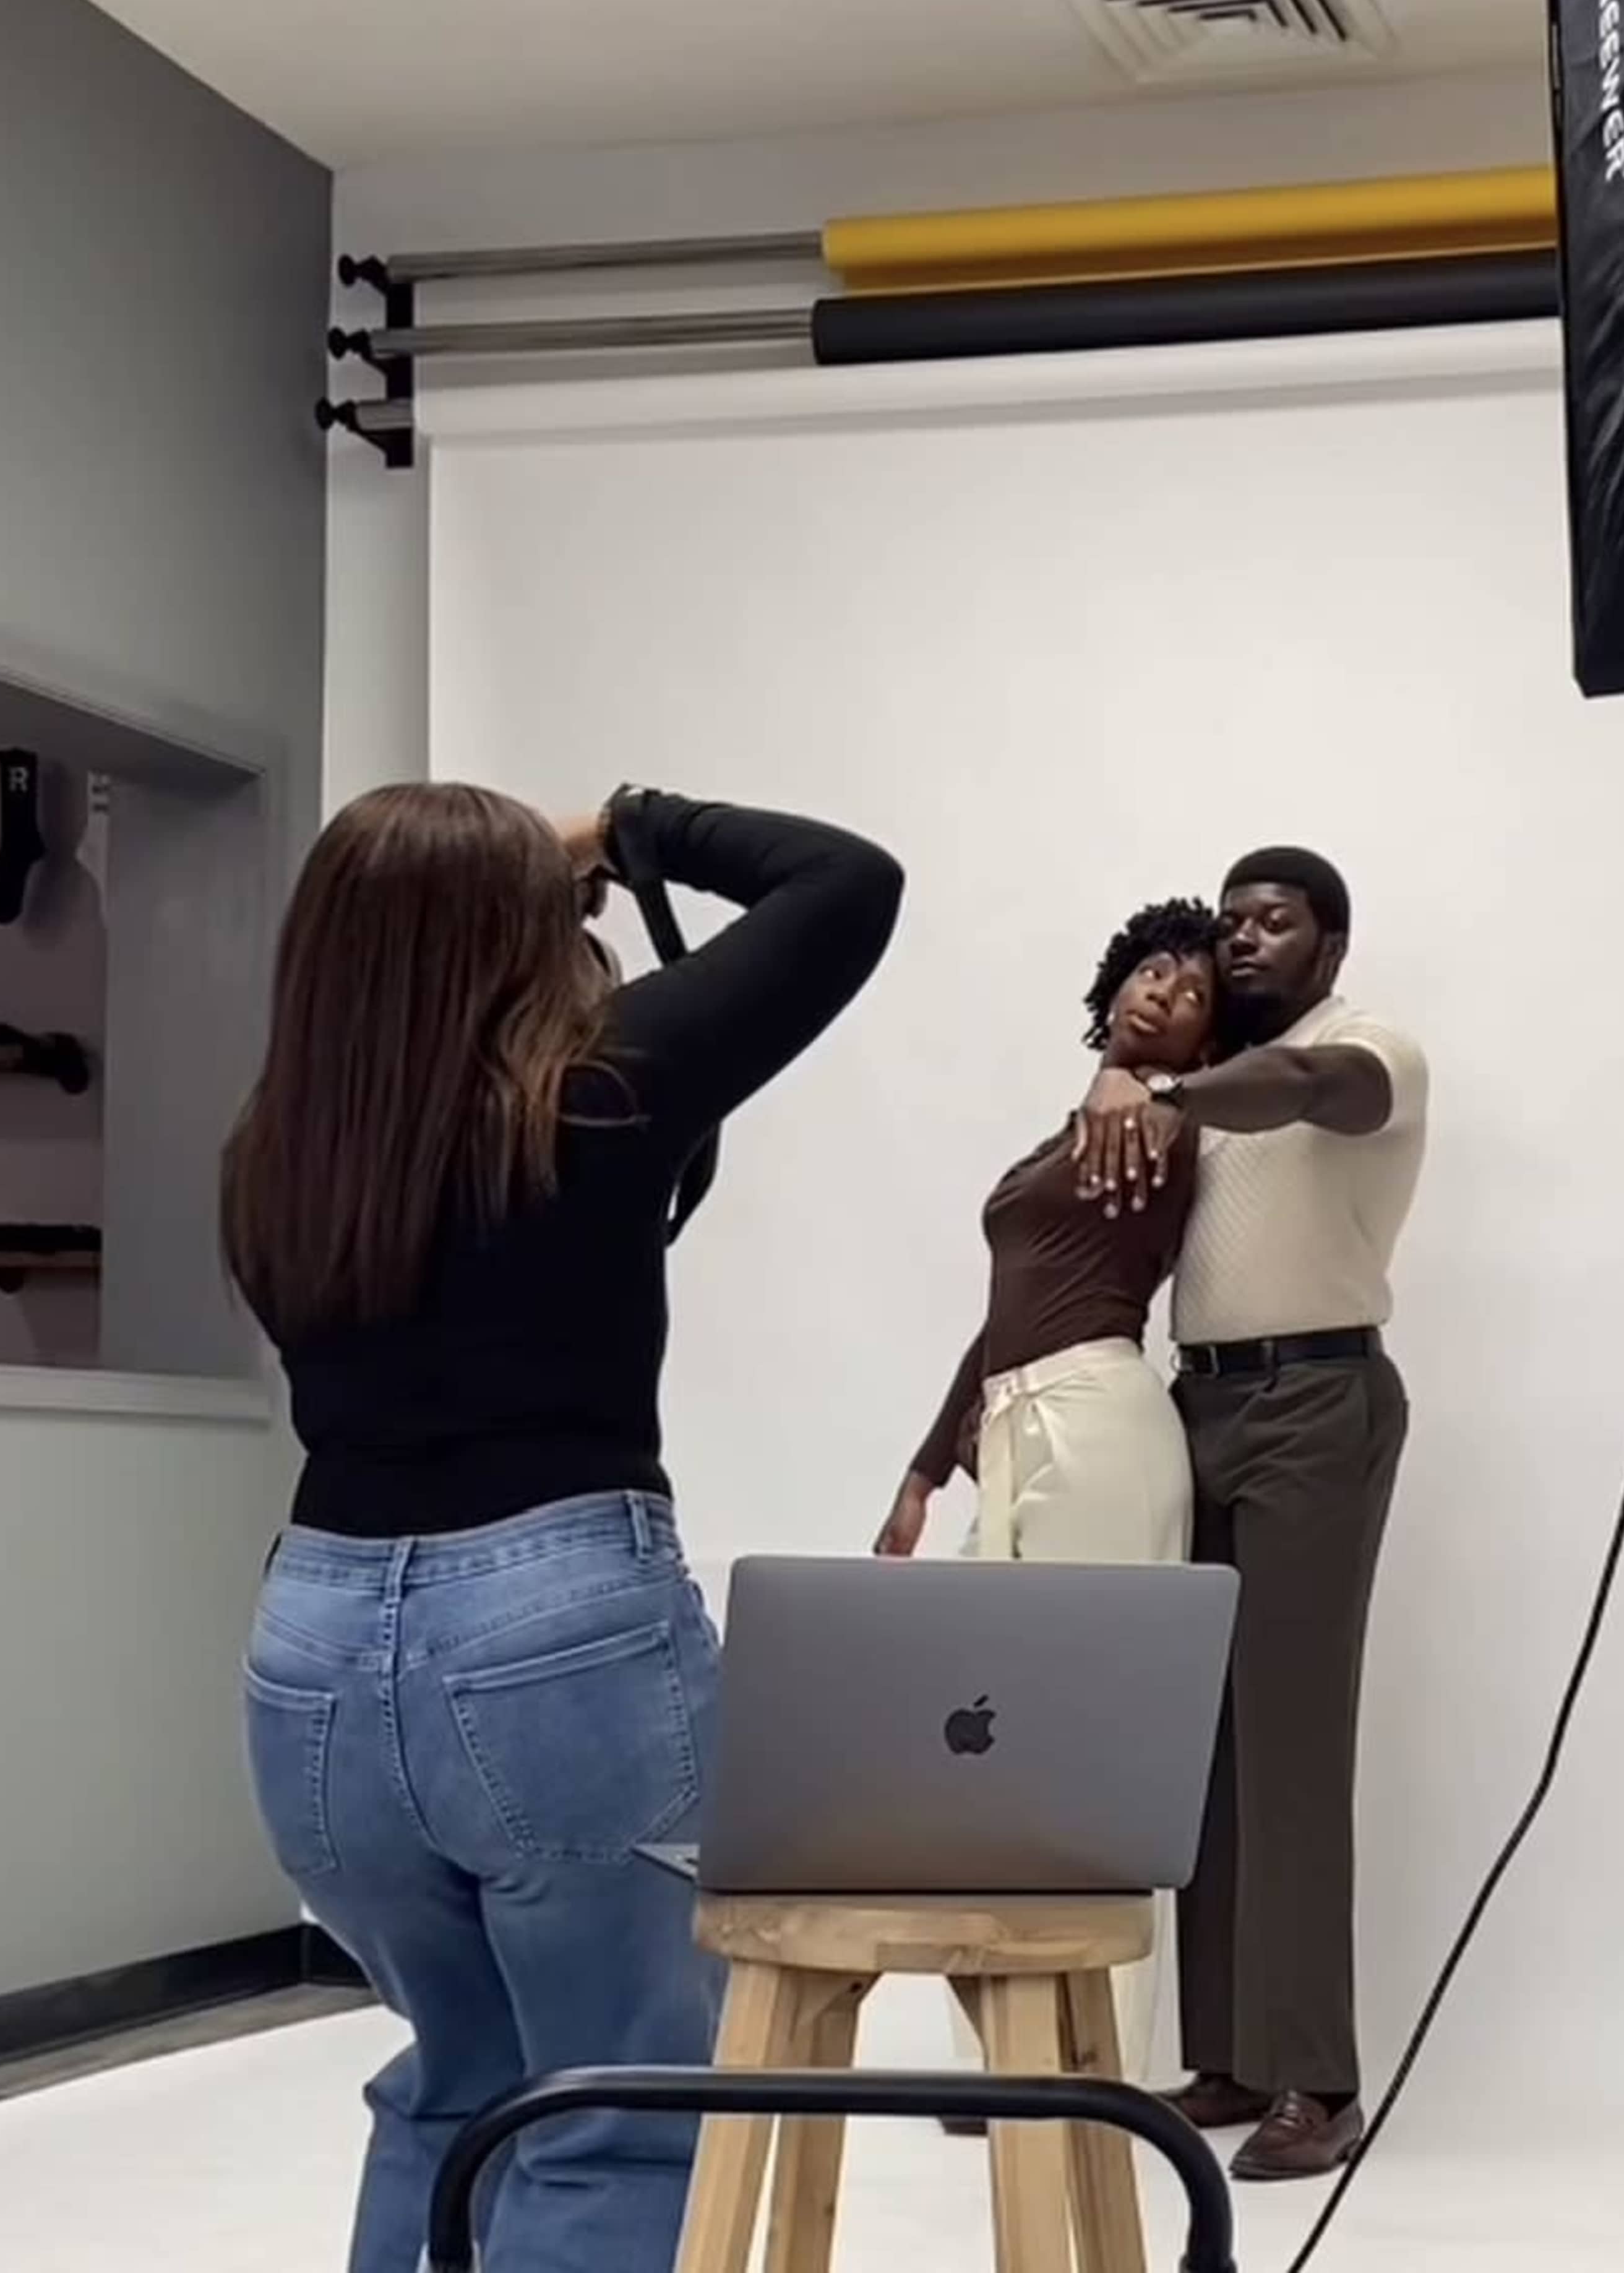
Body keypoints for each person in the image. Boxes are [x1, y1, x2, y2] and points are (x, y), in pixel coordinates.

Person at [223, 782, 900, 2273]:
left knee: (446, 2092)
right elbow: (846, 885)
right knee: (617, 2109)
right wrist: (623, 830)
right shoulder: (603, 1088)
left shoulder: (278, 1156)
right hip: (553, 1639)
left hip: (315, 1655)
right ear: (522, 931)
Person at [1072, 847, 1425, 2183]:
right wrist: (1124, 1071)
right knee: (1205, 1745)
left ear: (1332, 947)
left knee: (1291, 1742)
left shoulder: (1359, 1051)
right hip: (1195, 1408)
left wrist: (1149, 1078)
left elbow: (1306, 1091)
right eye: (1230, 924)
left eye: (1276, 922)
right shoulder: (1200, 1092)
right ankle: (1228, 2055)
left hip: (1315, 1403)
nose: (1246, 941)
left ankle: (1318, 2081)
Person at [875, 895, 1224, 2101]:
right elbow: (1003, 1309)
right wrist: (925, 1470)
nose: (1164, 993)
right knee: (995, 1751)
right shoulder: (1071, 1130)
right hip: (1018, 1426)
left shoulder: (1165, 1128)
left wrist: (1150, 1094)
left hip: (1099, 1422)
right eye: (1153, 971)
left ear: (1208, 1044)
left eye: (1193, 994)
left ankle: (1102, 2069)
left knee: (1093, 1748)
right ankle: (1006, 2061)